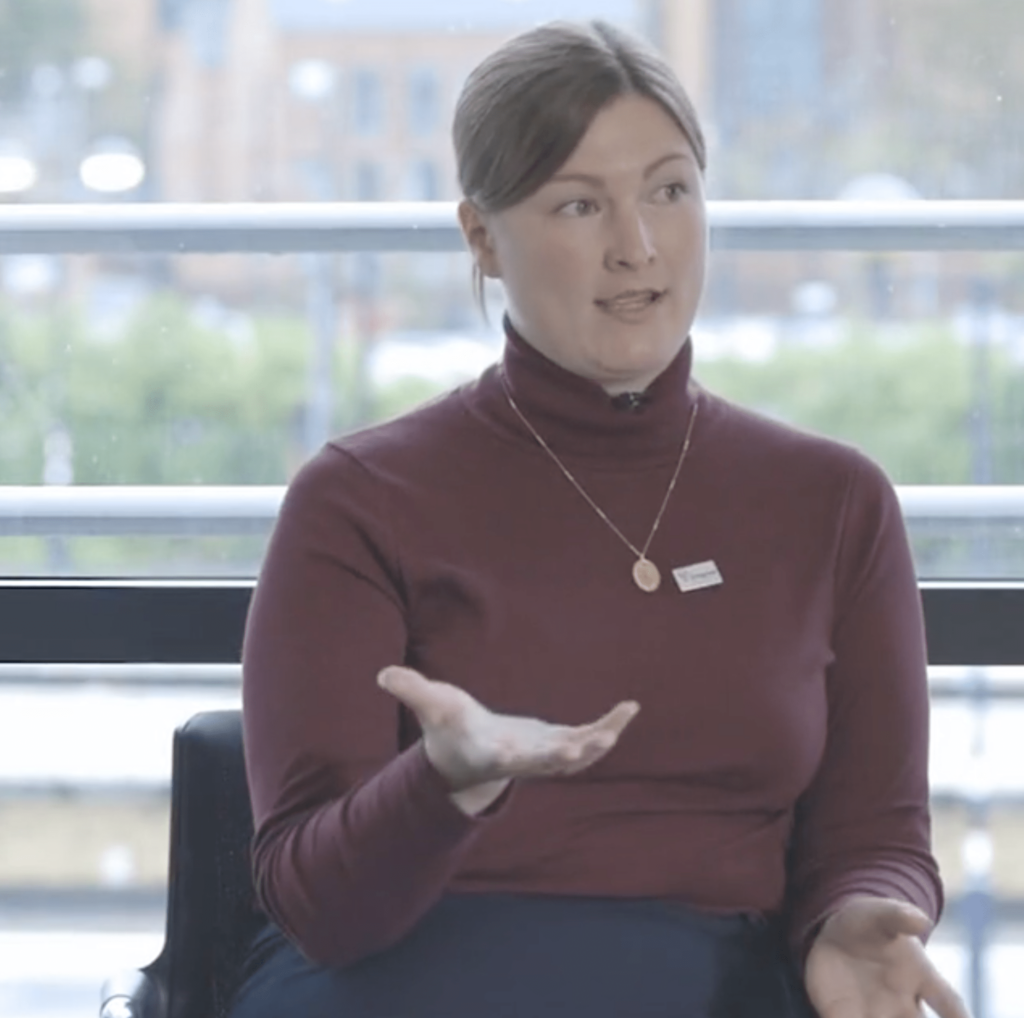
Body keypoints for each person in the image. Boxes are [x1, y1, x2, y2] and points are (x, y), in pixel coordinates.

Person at [230, 19, 970, 1018]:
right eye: (579, 204)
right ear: (482, 235)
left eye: (669, 190)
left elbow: (872, 833)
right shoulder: (360, 498)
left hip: (711, 978)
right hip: (403, 979)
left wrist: (857, 917)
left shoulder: (831, 500)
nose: (638, 246)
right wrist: (445, 780)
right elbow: (317, 905)